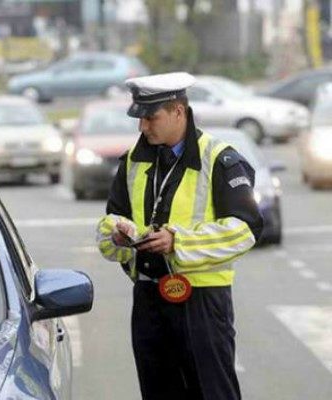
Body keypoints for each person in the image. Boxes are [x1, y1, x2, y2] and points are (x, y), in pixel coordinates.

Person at [96, 72, 263, 400]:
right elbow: (112, 216)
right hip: (148, 294)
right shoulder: (134, 158)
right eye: (140, 118)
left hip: (200, 299)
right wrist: (117, 234)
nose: (143, 127)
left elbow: (246, 229)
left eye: (151, 117)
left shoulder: (219, 158)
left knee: (212, 391)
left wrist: (178, 242)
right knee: (157, 390)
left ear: (178, 112)